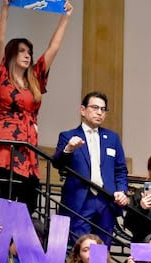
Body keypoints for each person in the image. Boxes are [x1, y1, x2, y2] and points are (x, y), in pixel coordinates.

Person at [0, 0, 72, 217]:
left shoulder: (35, 78)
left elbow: (53, 48)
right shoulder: (1, 75)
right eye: (22, 50)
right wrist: (5, 6)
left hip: (28, 142)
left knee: (30, 200)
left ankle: (3, 236)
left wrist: (65, 17)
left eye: (29, 52)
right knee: (9, 194)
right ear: (12, 53)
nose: (27, 55)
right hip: (7, 142)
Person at [52, 92, 129, 244]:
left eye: (103, 109)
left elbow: (120, 170)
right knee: (81, 248)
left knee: (103, 249)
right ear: (83, 110)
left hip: (106, 201)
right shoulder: (68, 136)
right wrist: (68, 149)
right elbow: (57, 164)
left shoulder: (112, 138)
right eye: (95, 107)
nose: (99, 112)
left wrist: (122, 190)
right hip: (80, 200)